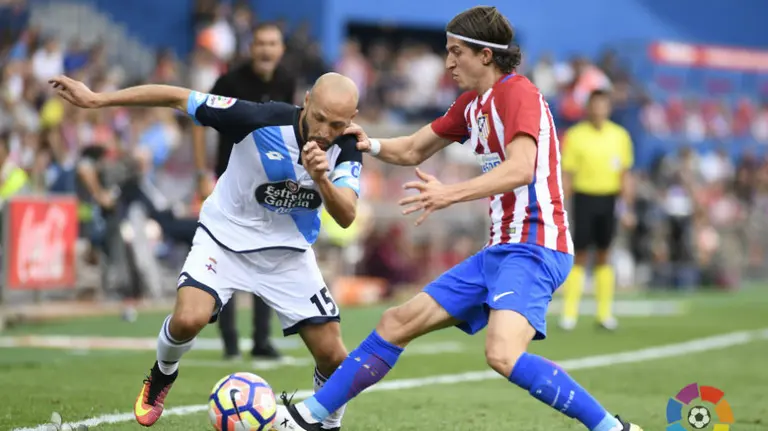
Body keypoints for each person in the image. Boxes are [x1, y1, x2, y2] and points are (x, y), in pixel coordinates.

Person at [273, 6, 642, 431]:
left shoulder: (516, 93)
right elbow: (412, 149)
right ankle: (309, 418)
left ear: (485, 55)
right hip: (500, 251)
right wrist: (368, 143)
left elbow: (522, 167)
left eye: (455, 52)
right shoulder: (472, 105)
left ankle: (614, 429)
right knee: (396, 322)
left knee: (502, 354)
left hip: (536, 245)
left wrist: (449, 193)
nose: (447, 62)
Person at [49, 72, 363, 431]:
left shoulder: (349, 145)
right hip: (224, 238)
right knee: (187, 320)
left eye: (336, 124)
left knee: (335, 357)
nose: (324, 130)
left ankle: (327, 425)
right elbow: (176, 96)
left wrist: (321, 178)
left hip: (286, 254)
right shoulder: (258, 118)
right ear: (307, 101)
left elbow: (346, 215)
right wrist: (97, 98)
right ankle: (162, 375)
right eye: (319, 117)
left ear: (351, 120)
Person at [193, 22, 297, 361]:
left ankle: (262, 340)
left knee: (266, 257)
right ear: (251, 48)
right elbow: (198, 122)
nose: (266, 49)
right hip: (231, 184)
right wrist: (201, 172)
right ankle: (229, 341)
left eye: (273, 43)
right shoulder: (230, 82)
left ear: (280, 49)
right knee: (228, 258)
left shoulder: (286, 80)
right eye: (261, 43)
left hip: (269, 185)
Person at [559, 89, 635, 331]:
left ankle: (604, 314)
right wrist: (560, 204)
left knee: (604, 253)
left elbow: (624, 175)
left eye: (603, 105)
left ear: (609, 108)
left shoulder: (620, 136)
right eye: (595, 105)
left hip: (609, 199)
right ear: (588, 107)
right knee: (579, 255)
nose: (599, 109)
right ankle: (569, 313)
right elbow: (568, 174)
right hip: (584, 198)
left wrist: (628, 207)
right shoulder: (575, 135)